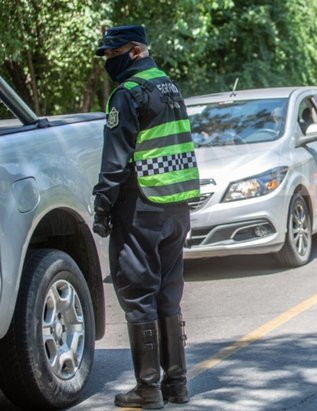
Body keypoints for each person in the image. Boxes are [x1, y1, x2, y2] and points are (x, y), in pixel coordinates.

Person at [92, 25, 200, 409]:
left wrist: (102, 207)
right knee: (168, 293)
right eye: (105, 55)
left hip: (141, 207)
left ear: (135, 51)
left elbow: (116, 161)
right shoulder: (169, 86)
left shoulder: (128, 93)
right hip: (176, 205)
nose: (109, 60)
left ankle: (148, 389)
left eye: (112, 53)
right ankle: (177, 385)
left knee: (138, 294)